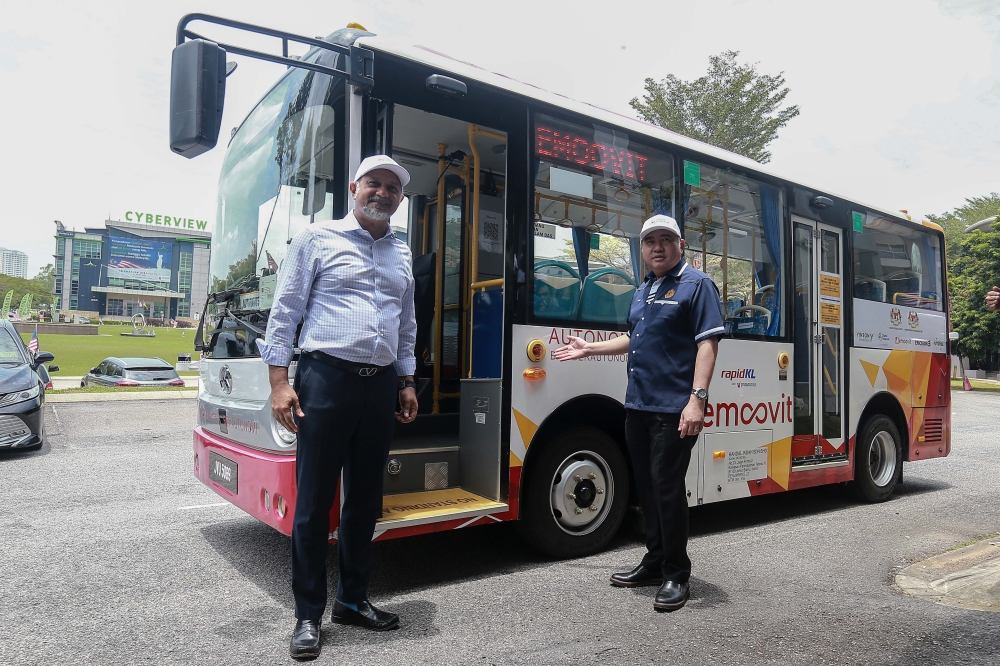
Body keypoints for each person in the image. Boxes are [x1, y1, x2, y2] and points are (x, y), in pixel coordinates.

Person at [258, 155, 419, 660]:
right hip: (325, 379)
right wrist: (280, 382)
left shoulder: (402, 253)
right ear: (354, 188)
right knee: (312, 504)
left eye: (392, 188)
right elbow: (285, 311)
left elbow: (406, 321)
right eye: (374, 183)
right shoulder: (317, 239)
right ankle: (308, 615)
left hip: (380, 385)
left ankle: (352, 600)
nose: (382, 192)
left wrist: (407, 379)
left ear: (399, 198)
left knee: (365, 502)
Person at [553, 214, 724, 612]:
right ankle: (654, 561)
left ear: (681, 245)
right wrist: (590, 348)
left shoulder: (697, 285)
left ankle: (676, 572)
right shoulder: (644, 288)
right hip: (639, 405)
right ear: (642, 249)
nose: (657, 247)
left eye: (666, 239)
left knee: (666, 487)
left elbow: (708, 344)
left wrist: (697, 399)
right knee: (647, 487)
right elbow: (634, 338)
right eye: (650, 241)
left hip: (674, 408)